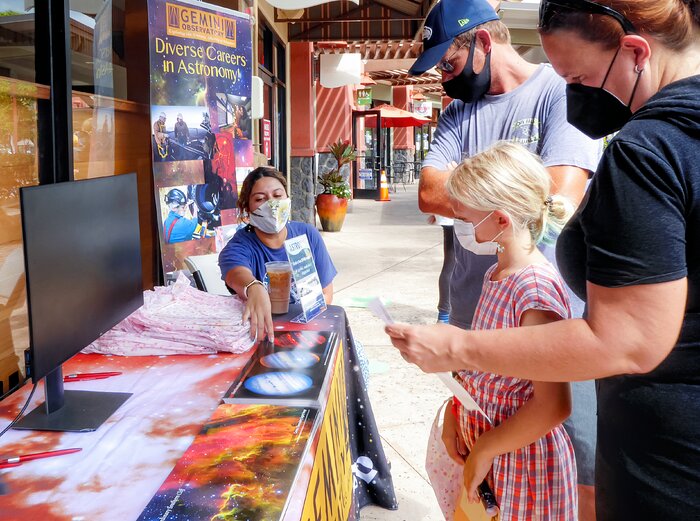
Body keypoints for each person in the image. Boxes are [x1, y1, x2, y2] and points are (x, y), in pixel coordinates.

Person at [387, 0, 700, 518]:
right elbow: (430, 190)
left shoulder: (650, 151)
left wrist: (460, 347)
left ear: (636, 53)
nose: (574, 97)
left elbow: (629, 340)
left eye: (576, 77)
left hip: (666, 458)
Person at [409, 0, 602, 515]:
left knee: (577, 467)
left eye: (448, 64)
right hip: (480, 308)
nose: (444, 80)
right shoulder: (457, 111)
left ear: (483, 43)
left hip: (548, 323)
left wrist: (487, 194)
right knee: (486, 469)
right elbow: (429, 192)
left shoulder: (557, 92)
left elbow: (561, 195)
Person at [440, 141, 577, 519]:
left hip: (523, 465)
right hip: (492, 453)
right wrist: (455, 413)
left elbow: (553, 404)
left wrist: (485, 449)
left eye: (466, 220)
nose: (461, 228)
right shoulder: (497, 272)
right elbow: (483, 367)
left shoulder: (533, 292)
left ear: (501, 220)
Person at [218, 166, 337, 343]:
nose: (271, 205)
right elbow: (235, 271)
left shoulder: (307, 234)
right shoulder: (240, 245)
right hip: (263, 333)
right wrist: (254, 286)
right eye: (260, 199)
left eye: (277, 195)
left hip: (308, 331)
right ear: (247, 209)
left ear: (288, 199)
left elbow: (326, 294)